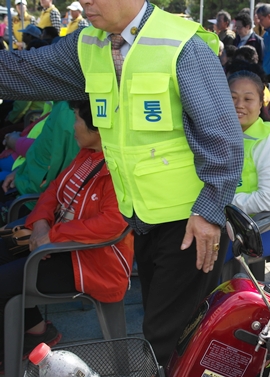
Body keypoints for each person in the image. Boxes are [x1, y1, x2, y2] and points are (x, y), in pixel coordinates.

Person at [0, 0, 244, 368]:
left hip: (190, 222)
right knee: (168, 336)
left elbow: (224, 139)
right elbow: (20, 71)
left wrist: (209, 211)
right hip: (141, 220)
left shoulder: (181, 44)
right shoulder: (89, 44)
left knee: (168, 339)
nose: (85, 3)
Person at [0, 99, 133, 372]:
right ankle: (37, 332)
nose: (73, 126)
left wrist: (53, 235)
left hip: (91, 262)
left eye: (77, 119)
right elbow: (52, 193)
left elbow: (112, 223)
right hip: (60, 246)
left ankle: (11, 352)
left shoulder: (119, 167)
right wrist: (39, 227)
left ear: (98, 129)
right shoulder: (87, 154)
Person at [224, 70, 270, 269]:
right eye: (232, 97)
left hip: (265, 226)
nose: (239, 105)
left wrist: (224, 204)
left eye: (247, 99)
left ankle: (215, 299)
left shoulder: (268, 143)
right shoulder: (225, 133)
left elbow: (268, 199)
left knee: (210, 251)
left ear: (261, 103)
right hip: (234, 221)